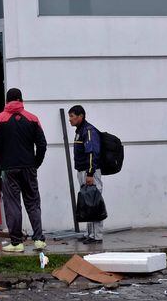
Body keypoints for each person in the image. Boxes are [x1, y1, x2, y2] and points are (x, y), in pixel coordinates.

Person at [0, 88, 48, 253]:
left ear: (7, 101)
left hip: (9, 168)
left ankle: (16, 243)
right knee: (33, 202)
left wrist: (1, 162)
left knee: (13, 204)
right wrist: (36, 163)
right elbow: (42, 145)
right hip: (29, 167)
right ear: (21, 99)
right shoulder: (33, 118)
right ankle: (39, 240)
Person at [68, 105, 103, 245]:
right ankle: (90, 233)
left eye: (72, 116)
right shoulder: (80, 131)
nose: (69, 119)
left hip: (89, 172)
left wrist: (90, 173)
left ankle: (97, 235)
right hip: (82, 172)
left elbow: (92, 153)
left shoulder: (88, 131)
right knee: (87, 202)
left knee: (94, 202)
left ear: (80, 116)